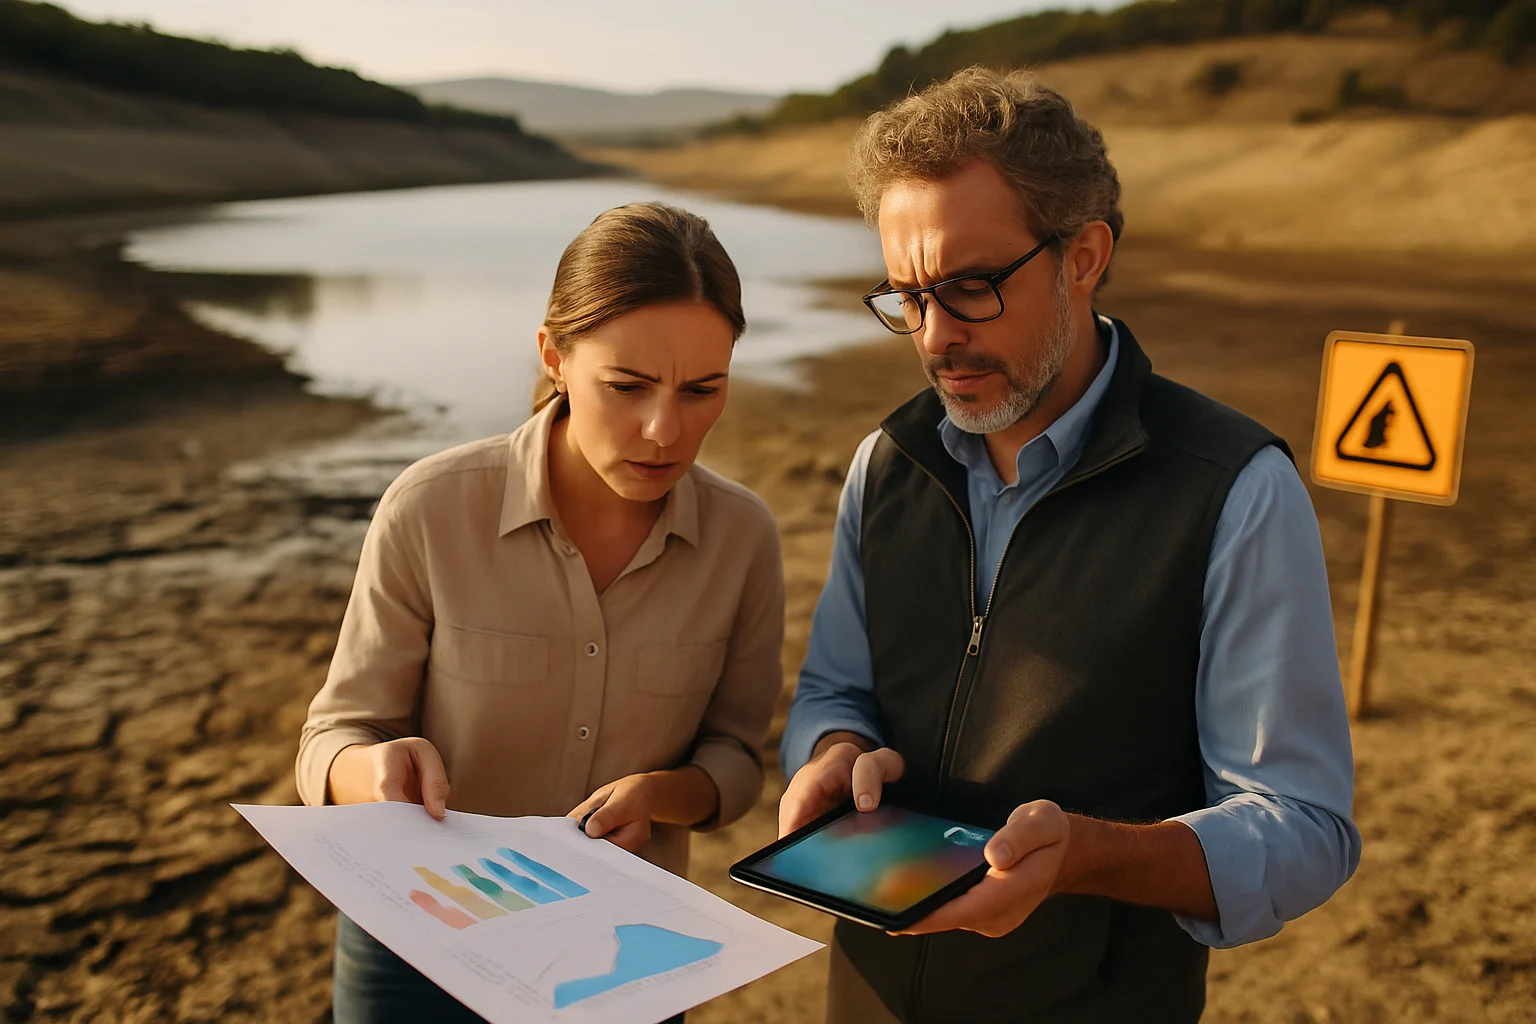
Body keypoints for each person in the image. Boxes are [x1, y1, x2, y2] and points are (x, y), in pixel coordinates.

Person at [778, 68, 1360, 1023]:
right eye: (909, 296)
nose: (935, 339)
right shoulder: (883, 464)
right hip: (868, 994)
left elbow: (1302, 828)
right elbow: (837, 690)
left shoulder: (1235, 489)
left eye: (970, 288)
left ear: (1084, 255)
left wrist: (1087, 857)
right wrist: (837, 752)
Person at [296, 202, 785, 1023]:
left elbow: (736, 761)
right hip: (420, 943)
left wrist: (664, 795)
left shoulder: (744, 539)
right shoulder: (429, 509)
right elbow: (330, 738)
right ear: (554, 356)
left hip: (624, 952)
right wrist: (369, 773)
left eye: (703, 390)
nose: (666, 431)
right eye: (626, 387)